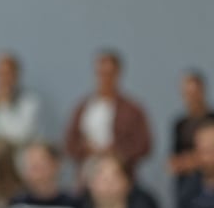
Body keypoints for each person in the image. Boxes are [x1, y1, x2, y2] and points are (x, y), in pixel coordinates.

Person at [64, 49, 152, 179]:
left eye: (109, 74)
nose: (105, 79)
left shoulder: (132, 109)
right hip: (87, 173)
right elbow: (70, 141)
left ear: (118, 74)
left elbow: (143, 144)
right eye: (101, 73)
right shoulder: (83, 107)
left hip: (121, 174)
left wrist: (117, 151)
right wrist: (86, 149)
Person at [168, 70, 214, 190]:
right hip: (187, 183)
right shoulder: (179, 124)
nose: (192, 98)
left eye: (195, 93)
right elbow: (174, 162)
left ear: (203, 91)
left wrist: (192, 161)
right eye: (187, 94)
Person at [0, 141, 79, 208]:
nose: (34, 171)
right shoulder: (17, 205)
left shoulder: (73, 205)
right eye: (30, 165)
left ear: (55, 165)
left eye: (39, 165)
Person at [76, 152, 159, 208]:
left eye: (115, 177)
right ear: (89, 183)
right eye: (102, 178)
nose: (108, 184)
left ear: (128, 182)